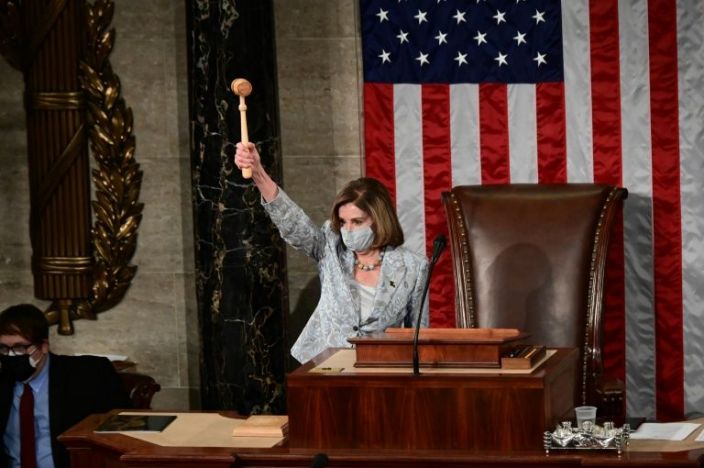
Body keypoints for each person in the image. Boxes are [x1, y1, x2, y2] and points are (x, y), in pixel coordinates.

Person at [235, 142, 429, 363]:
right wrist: (258, 173)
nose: (348, 230)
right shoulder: (330, 245)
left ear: (380, 220)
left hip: (381, 369)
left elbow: (418, 337)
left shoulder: (414, 266)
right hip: (326, 366)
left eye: (357, 222)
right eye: (343, 222)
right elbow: (293, 223)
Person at [0, 304, 131, 468]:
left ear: (44, 346)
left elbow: (126, 433)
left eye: (20, 348)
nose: (11, 355)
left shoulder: (88, 375)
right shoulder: (3, 382)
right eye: (4, 348)